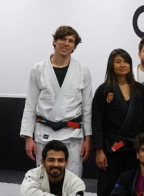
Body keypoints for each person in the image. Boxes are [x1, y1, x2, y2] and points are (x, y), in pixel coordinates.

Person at [92, 49, 144, 196]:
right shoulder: (103, 90)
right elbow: (96, 123)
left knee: (135, 189)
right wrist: (99, 150)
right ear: (111, 65)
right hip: (111, 149)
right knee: (106, 191)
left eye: (126, 61)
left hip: (134, 149)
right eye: (118, 61)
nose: (122, 65)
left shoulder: (140, 90)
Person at [20, 24, 92, 177]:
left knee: (72, 179)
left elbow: (87, 107)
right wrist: (28, 137)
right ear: (54, 41)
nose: (66, 43)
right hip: (44, 133)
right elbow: (30, 105)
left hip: (72, 134)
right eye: (62, 39)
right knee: (44, 177)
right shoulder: (38, 69)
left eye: (71, 41)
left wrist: (88, 138)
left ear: (74, 47)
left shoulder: (82, 70)